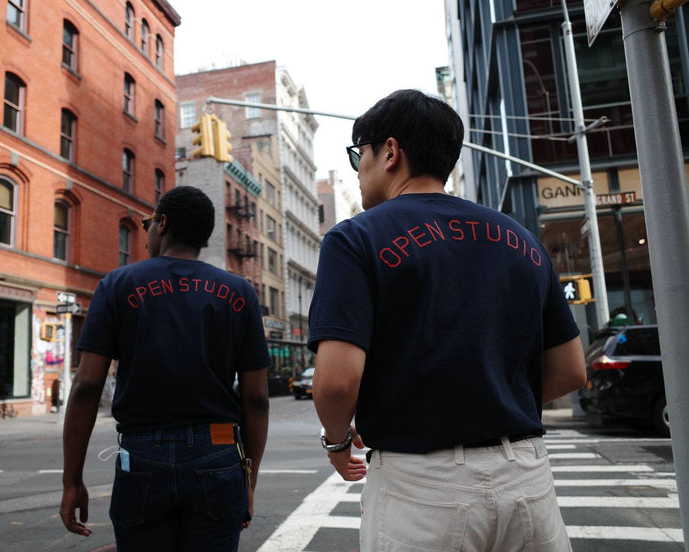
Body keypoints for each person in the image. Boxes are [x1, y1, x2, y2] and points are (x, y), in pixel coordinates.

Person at [308, 90, 586, 551]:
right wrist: (491, 392)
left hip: (421, 490)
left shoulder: (355, 239)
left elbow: (336, 384)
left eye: (362, 154)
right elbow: (571, 370)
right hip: (528, 483)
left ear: (391, 152)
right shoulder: (522, 240)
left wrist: (337, 444)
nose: (359, 169)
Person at [60, 186, 270, 552]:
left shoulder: (117, 285)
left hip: (141, 453)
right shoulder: (239, 292)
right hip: (218, 448)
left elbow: (85, 386)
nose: (145, 236)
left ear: (163, 223)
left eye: (147, 224)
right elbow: (257, 399)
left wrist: (72, 480)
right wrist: (247, 479)